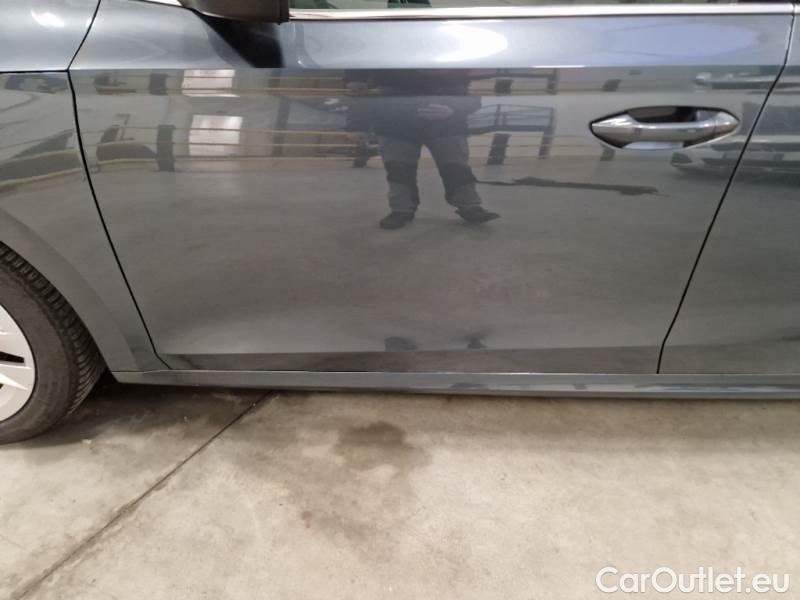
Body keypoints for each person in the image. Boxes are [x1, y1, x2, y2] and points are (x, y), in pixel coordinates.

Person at [346, 69, 500, 230]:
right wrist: (356, 125)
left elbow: (471, 94)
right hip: (397, 122)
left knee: (456, 167)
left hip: (436, 123)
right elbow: (358, 86)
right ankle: (402, 209)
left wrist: (454, 109)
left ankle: (469, 206)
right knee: (399, 169)